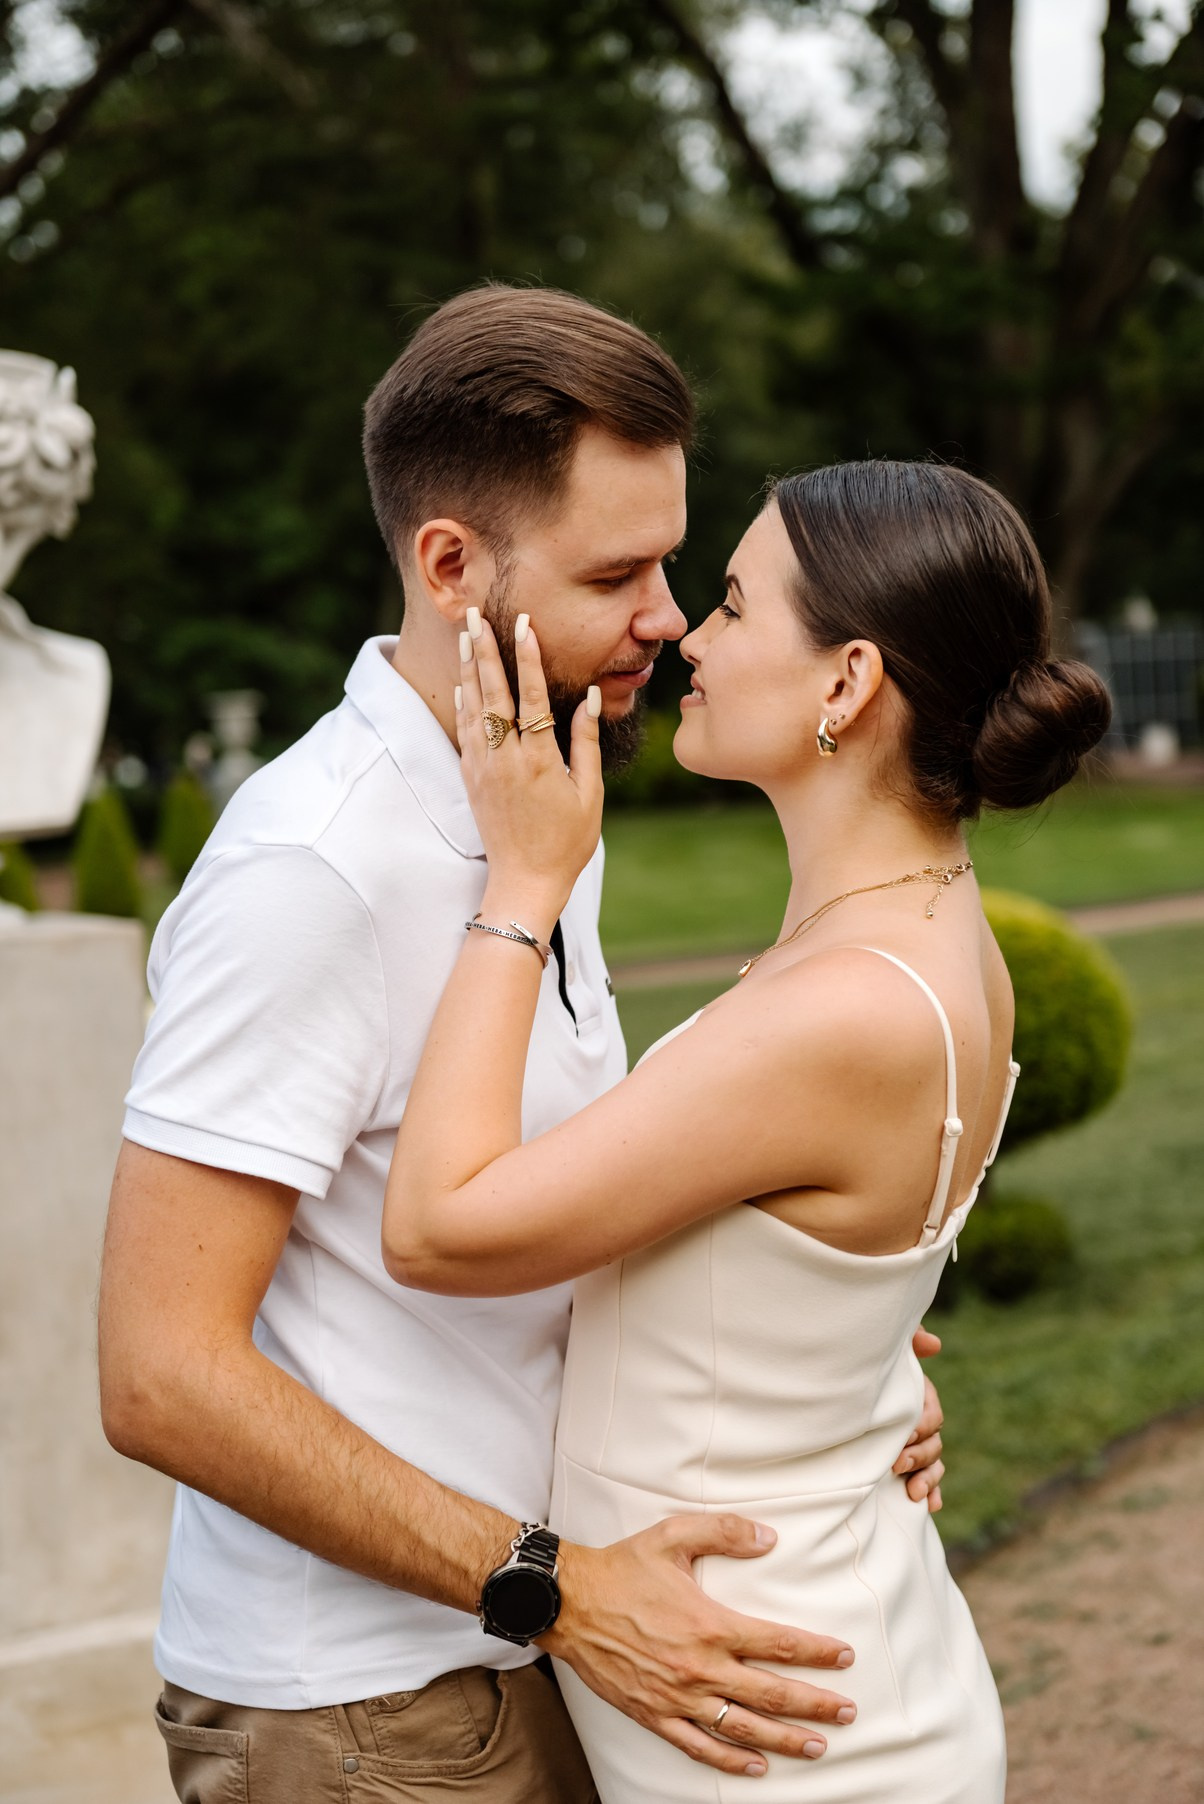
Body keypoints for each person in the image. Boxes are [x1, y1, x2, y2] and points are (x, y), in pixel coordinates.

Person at [97, 287, 946, 1803]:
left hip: (533, 1649)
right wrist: (549, 1587)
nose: (670, 617)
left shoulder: (541, 798)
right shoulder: (311, 871)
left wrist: (809, 1361)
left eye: (673, 561)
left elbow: (546, 1203)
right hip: (366, 1711)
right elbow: (160, 1373)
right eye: (616, 570)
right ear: (448, 563)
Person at [380, 457, 1113, 1801]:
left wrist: (523, 885)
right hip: (802, 1667)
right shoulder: (918, 936)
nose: (684, 638)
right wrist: (867, 1372)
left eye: (728, 603)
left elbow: (437, 1226)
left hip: (777, 1725)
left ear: (846, 684)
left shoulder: (845, 1006)